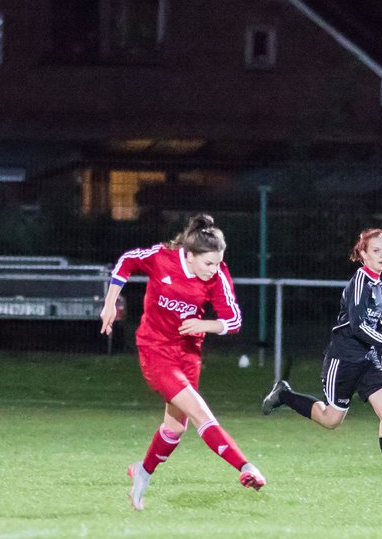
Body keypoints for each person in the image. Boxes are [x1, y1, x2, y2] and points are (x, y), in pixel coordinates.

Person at [100, 213, 266, 510]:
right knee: (201, 413)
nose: (214, 270)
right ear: (188, 256)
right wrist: (111, 302)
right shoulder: (162, 259)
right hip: (155, 350)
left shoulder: (217, 275)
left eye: (218, 262)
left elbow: (234, 319)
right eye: (208, 263)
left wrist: (206, 325)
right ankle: (246, 468)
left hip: (188, 352)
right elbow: (127, 260)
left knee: (175, 429)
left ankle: (143, 472)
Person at [261, 227, 382, 484]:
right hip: (343, 360)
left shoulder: (377, 284)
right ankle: (284, 394)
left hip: (367, 360)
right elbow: (358, 326)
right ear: (363, 253)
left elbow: (375, 323)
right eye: (376, 250)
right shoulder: (360, 282)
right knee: (331, 420)